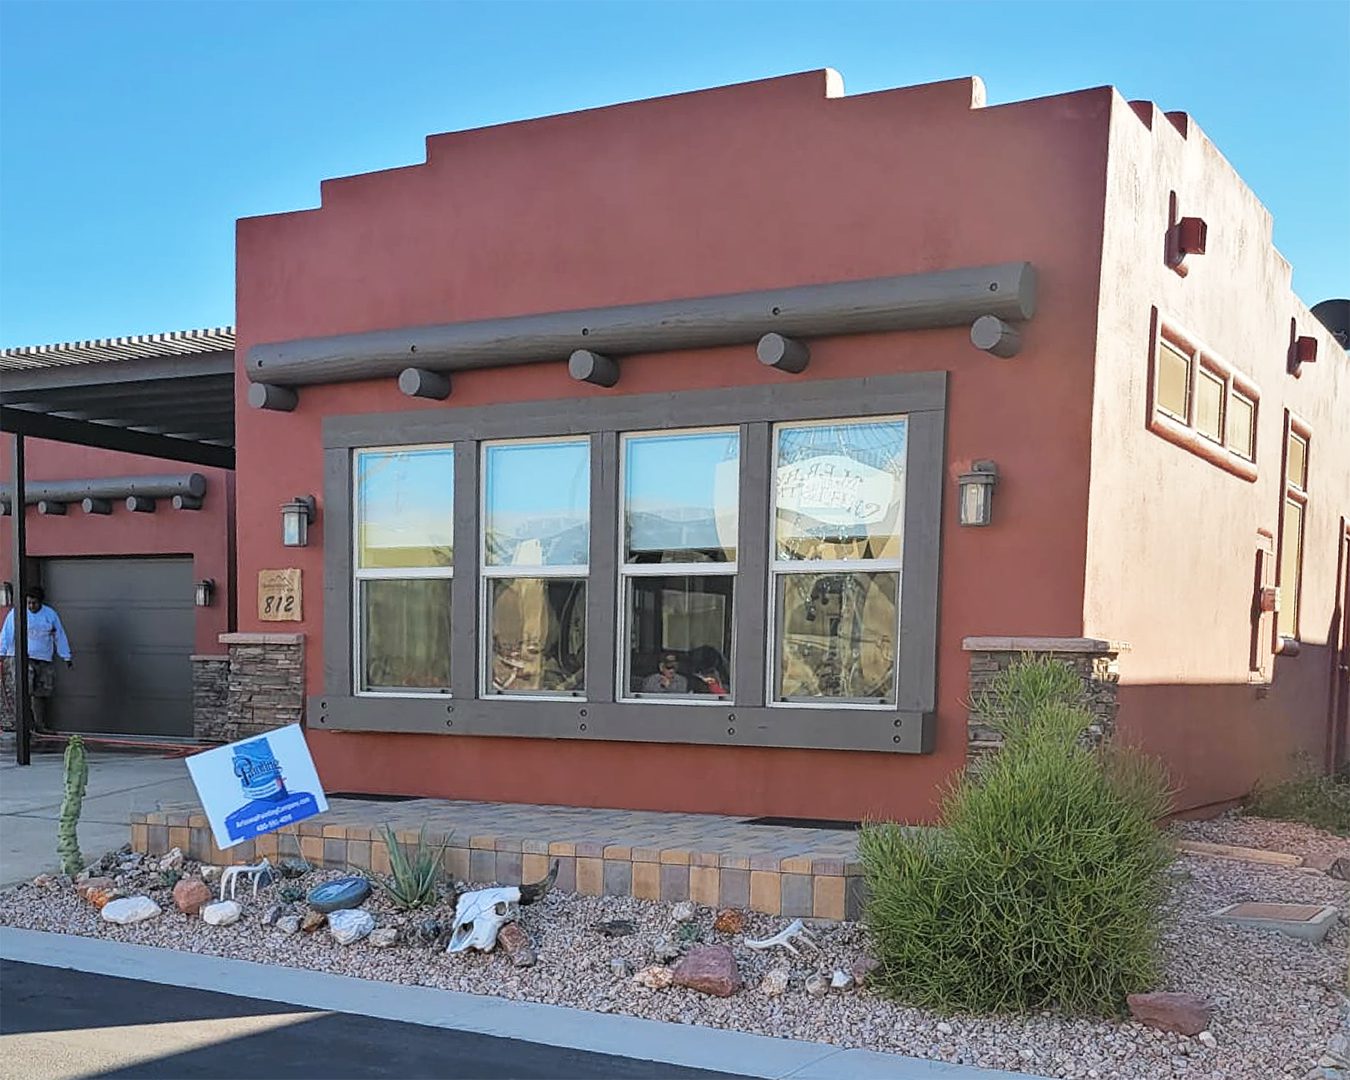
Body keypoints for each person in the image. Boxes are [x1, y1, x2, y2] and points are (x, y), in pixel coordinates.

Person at [1, 584, 73, 734]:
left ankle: (41, 725)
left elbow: (59, 635)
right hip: (21, 657)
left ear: (41, 602)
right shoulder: (16, 613)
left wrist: (66, 655)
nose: (31, 606)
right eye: (28, 603)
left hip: (43, 658)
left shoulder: (50, 615)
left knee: (42, 692)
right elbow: (6, 634)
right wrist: (1, 652)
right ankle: (26, 725)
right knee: (24, 690)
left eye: (34, 603)